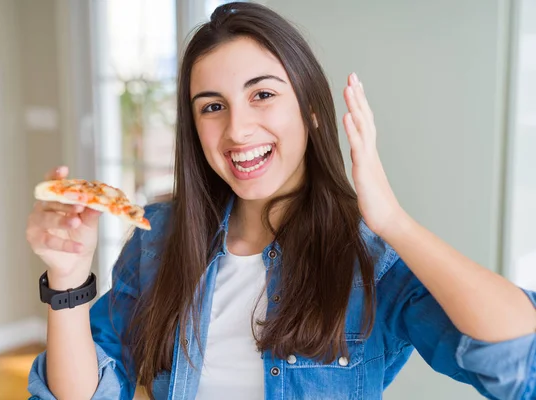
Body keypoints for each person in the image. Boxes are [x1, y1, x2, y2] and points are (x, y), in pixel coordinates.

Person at [26, 2, 536, 399]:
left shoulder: (372, 257)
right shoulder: (160, 238)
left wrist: (392, 221)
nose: (238, 129)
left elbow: (517, 362)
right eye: (212, 106)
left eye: (262, 94)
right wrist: (69, 278)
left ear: (311, 108)